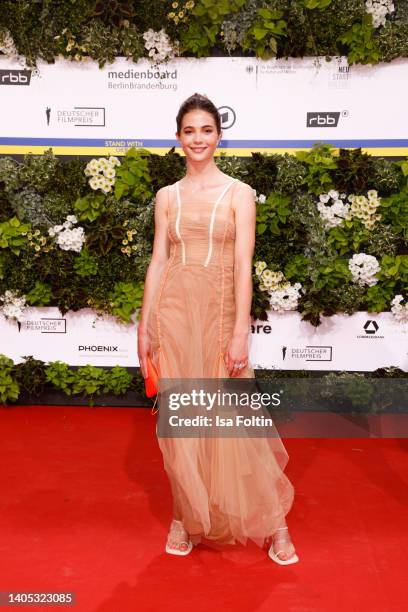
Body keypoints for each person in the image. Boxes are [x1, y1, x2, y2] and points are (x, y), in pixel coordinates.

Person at [137, 93, 299, 564]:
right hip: (174, 316)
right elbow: (158, 260)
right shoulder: (167, 196)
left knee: (236, 422)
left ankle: (275, 524)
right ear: (178, 138)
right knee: (182, 425)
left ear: (219, 135)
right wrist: (146, 324)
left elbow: (243, 263)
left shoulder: (239, 193)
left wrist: (240, 330)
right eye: (189, 131)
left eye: (206, 130)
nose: (198, 139)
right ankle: (184, 517)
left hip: (220, 317)